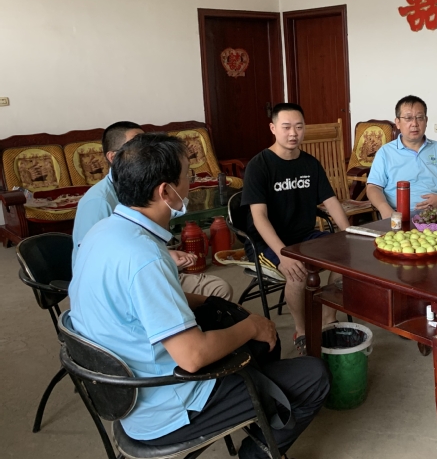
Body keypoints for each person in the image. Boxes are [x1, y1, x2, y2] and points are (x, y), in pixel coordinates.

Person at [69, 133, 329, 459]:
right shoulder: (144, 257)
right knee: (313, 376)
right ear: (165, 191)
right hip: (164, 406)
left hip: (124, 386)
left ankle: (259, 409)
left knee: (255, 338)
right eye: (187, 176)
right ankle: (257, 449)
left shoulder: (104, 231)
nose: (190, 184)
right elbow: (192, 356)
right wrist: (252, 326)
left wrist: (208, 302)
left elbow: (134, 303)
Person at [72, 121, 233, 301]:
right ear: (114, 157)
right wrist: (157, 259)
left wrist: (165, 255)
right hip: (118, 288)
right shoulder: (98, 202)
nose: (147, 150)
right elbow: (100, 265)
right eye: (137, 144)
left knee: (217, 293)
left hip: (135, 276)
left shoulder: (129, 207)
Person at [242, 103, 351, 355]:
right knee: (298, 273)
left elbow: (331, 202)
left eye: (299, 127)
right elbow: (259, 218)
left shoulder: (310, 164)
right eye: (286, 127)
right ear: (273, 128)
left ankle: (327, 320)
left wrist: (350, 235)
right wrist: (283, 254)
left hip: (305, 236)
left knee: (346, 260)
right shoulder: (259, 166)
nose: (293, 133)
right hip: (267, 242)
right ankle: (302, 331)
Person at [366, 95, 437, 218]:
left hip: (436, 215)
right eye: (408, 118)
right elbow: (373, 187)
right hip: (398, 214)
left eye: (419, 118)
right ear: (398, 123)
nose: (414, 124)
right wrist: (385, 209)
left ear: (426, 121)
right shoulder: (385, 152)